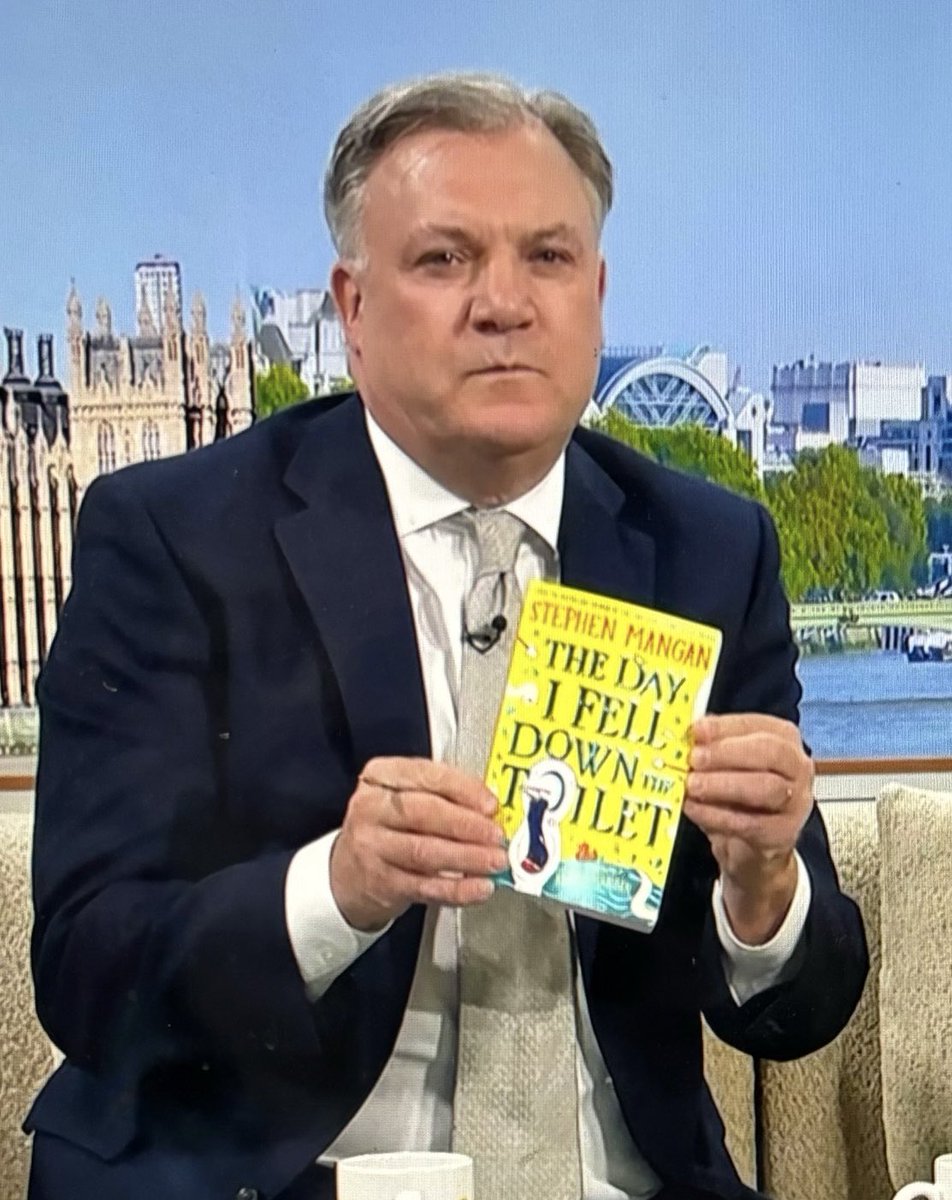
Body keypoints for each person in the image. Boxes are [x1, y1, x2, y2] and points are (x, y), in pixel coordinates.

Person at [26, 73, 867, 1200]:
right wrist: (340, 886)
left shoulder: (709, 552)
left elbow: (799, 1012)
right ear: (353, 308)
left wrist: (762, 886)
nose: (505, 303)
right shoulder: (173, 539)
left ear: (598, 295)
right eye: (444, 259)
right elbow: (85, 971)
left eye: (549, 258)